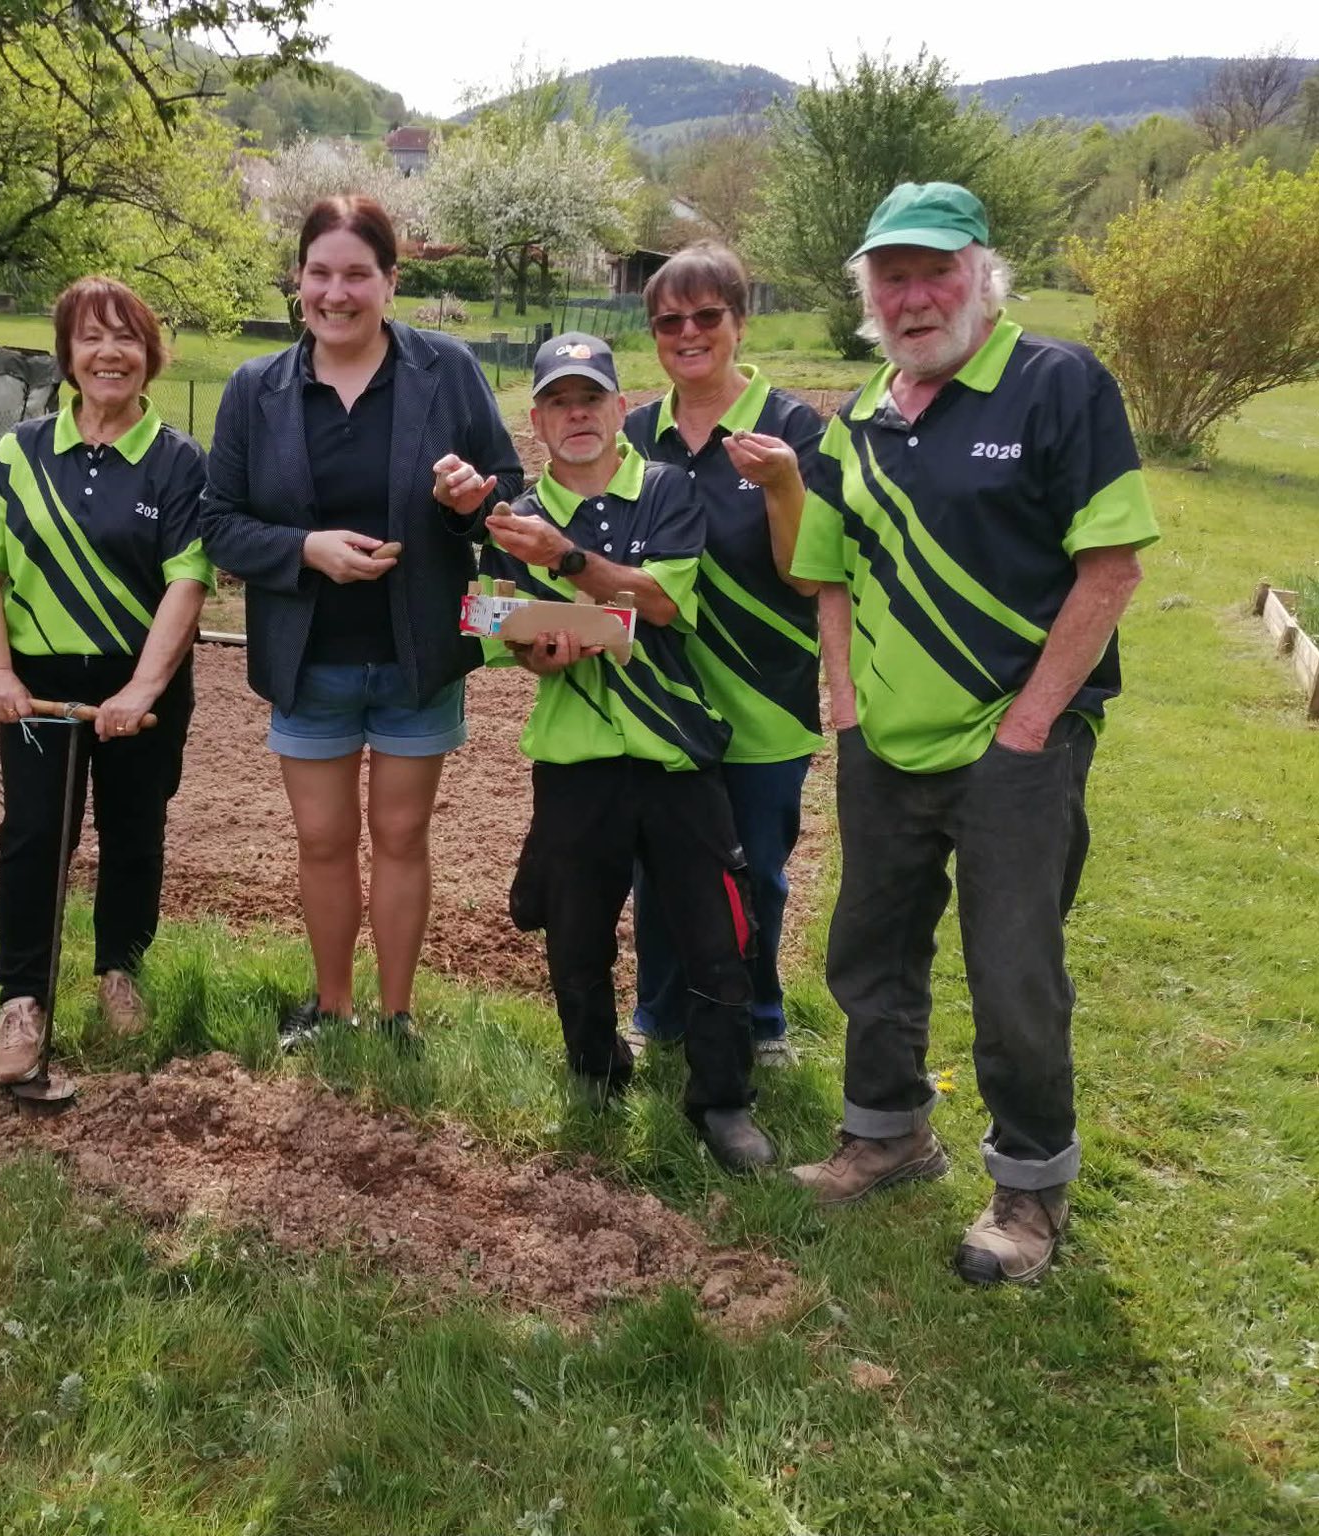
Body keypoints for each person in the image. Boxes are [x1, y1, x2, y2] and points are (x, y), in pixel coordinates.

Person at [787, 182, 1159, 1283]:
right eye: (888, 276)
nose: (911, 296)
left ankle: (1029, 1191)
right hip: (883, 747)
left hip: (1015, 746)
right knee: (869, 951)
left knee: (1012, 973)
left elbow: (1111, 569)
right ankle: (886, 1131)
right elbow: (831, 579)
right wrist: (845, 711)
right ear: (866, 293)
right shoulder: (851, 423)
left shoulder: (1055, 386)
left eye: (931, 270)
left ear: (980, 273)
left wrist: (1028, 729)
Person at [200, 195, 520, 1050]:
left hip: (416, 653)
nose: (335, 293)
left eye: (356, 274)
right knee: (323, 839)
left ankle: (396, 1015)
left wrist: (466, 503)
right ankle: (333, 1007)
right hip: (308, 661)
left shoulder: (445, 371)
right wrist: (307, 548)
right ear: (298, 281)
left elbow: (506, 490)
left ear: (390, 283)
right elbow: (218, 519)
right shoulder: (255, 388)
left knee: (404, 837)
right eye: (319, 273)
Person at [465, 331, 772, 1172]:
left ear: (620, 407)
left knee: (715, 934)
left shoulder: (668, 490)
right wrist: (538, 648)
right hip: (573, 759)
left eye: (591, 398)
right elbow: (491, 623)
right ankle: (595, 1069)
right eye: (559, 402)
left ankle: (723, 1100)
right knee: (576, 935)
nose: (577, 416)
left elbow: (664, 604)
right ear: (535, 420)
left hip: (676, 752)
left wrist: (565, 568)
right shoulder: (513, 518)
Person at [0, 277, 212, 1087]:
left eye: (128, 338)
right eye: (93, 337)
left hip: (143, 687)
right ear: (67, 353)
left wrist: (143, 688)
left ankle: (119, 973)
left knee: (135, 834)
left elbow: (188, 580)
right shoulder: (18, 453)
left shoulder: (178, 461)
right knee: (35, 836)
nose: (111, 353)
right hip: (37, 689)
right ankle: (21, 1000)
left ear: (150, 355)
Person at [621, 242, 825, 1068]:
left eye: (709, 316)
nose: (689, 332)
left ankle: (759, 1019)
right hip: (662, 697)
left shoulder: (792, 427)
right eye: (670, 321)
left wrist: (782, 486)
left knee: (756, 877)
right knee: (659, 871)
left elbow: (806, 577)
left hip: (765, 700)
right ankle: (659, 1015)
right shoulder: (638, 430)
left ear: (741, 322)